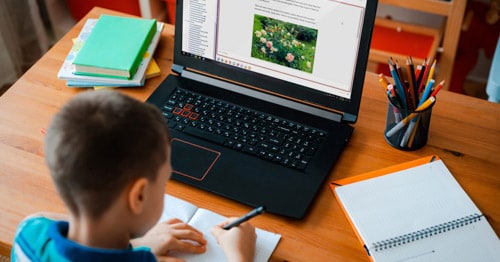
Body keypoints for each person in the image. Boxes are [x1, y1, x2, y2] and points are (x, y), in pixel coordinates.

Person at [11, 90, 256, 262]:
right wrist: (239, 256)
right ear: (138, 196)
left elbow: (40, 216)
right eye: (164, 182)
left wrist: (137, 245)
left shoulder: (29, 234)